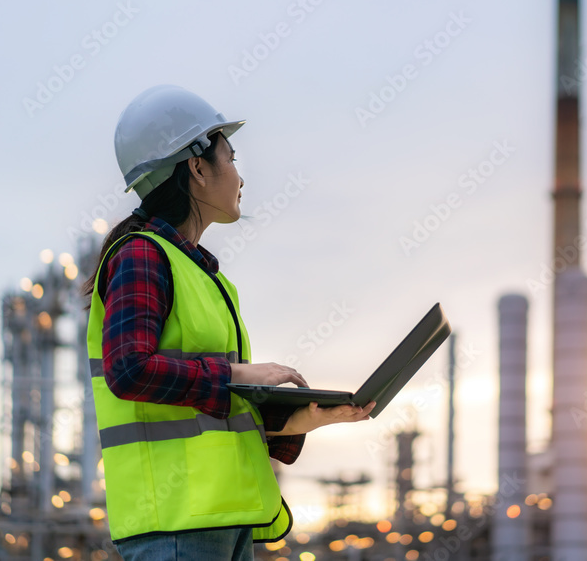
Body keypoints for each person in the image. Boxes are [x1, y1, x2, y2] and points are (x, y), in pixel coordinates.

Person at [82, 85, 375, 561]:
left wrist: (296, 420)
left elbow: (206, 411)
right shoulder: (142, 255)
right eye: (232, 157)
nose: (240, 175)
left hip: (219, 521)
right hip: (177, 525)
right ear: (196, 167)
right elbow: (129, 369)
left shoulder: (201, 273)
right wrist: (242, 373)